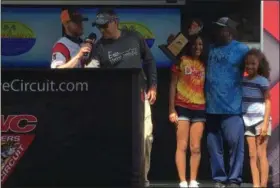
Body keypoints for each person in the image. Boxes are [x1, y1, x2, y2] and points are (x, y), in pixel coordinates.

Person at [91, 8, 157, 187]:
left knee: (145, 138)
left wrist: (153, 85)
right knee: (118, 139)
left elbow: (149, 61)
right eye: (99, 27)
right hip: (114, 101)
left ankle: (142, 180)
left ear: (115, 21)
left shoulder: (134, 37)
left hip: (140, 96)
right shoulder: (99, 46)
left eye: (105, 25)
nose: (102, 30)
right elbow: (92, 72)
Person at [205, 17, 249, 188]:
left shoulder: (242, 49)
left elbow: (257, 68)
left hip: (232, 107)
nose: (218, 31)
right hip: (211, 107)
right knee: (213, 147)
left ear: (230, 31)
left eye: (222, 28)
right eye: (217, 28)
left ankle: (234, 178)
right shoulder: (211, 49)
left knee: (235, 145)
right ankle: (219, 179)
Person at [169, 35, 206, 188]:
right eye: (196, 44)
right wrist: (171, 109)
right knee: (182, 146)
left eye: (201, 44)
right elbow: (172, 85)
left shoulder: (204, 64)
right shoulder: (180, 61)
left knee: (196, 147)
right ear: (189, 45)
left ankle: (193, 180)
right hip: (182, 106)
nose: (198, 47)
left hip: (200, 108)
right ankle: (183, 181)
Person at [242, 49, 271, 188]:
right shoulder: (242, 80)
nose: (250, 66)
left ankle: (263, 185)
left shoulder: (262, 81)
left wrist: (265, 124)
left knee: (261, 155)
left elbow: (268, 102)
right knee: (252, 155)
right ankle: (256, 184)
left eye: (253, 64)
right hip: (247, 122)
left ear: (259, 64)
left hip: (261, 121)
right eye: (247, 64)